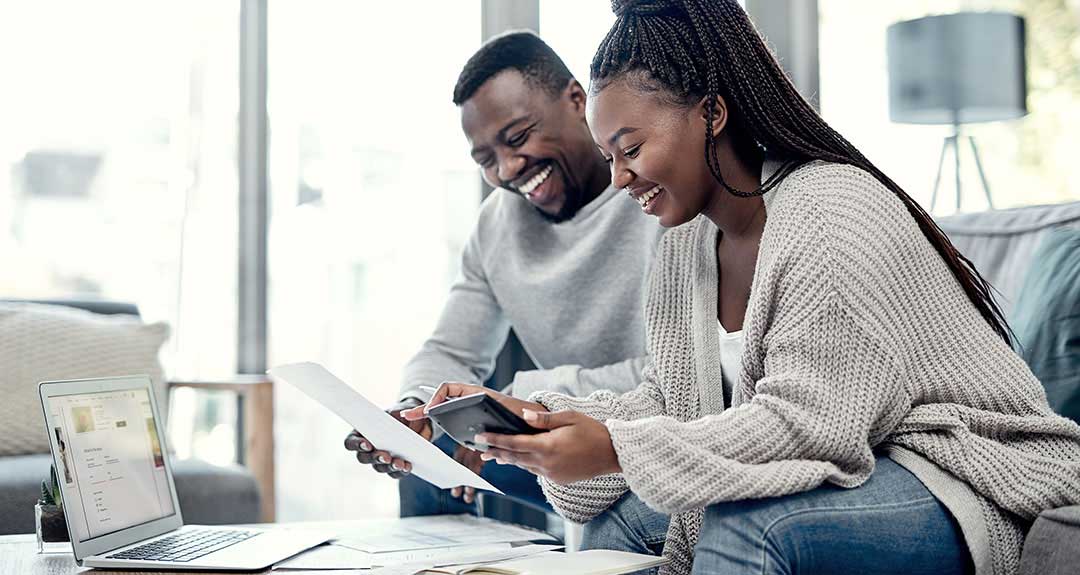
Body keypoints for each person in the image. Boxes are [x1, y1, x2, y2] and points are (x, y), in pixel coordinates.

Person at [403, 1, 1080, 574]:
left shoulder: (830, 210)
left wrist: (614, 445)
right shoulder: (685, 246)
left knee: (743, 524)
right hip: (858, 460)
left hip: (956, 470)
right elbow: (671, 401)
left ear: (714, 112)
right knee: (627, 512)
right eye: (609, 155)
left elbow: (809, 425)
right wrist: (538, 414)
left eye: (631, 150)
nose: (618, 178)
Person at [344, 31, 663, 517]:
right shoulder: (497, 224)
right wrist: (414, 414)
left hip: (640, 435)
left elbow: (674, 377)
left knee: (492, 443)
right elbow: (450, 350)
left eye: (517, 138)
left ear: (577, 100)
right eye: (485, 159)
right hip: (546, 430)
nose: (509, 168)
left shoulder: (657, 193)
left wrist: (517, 402)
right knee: (428, 462)